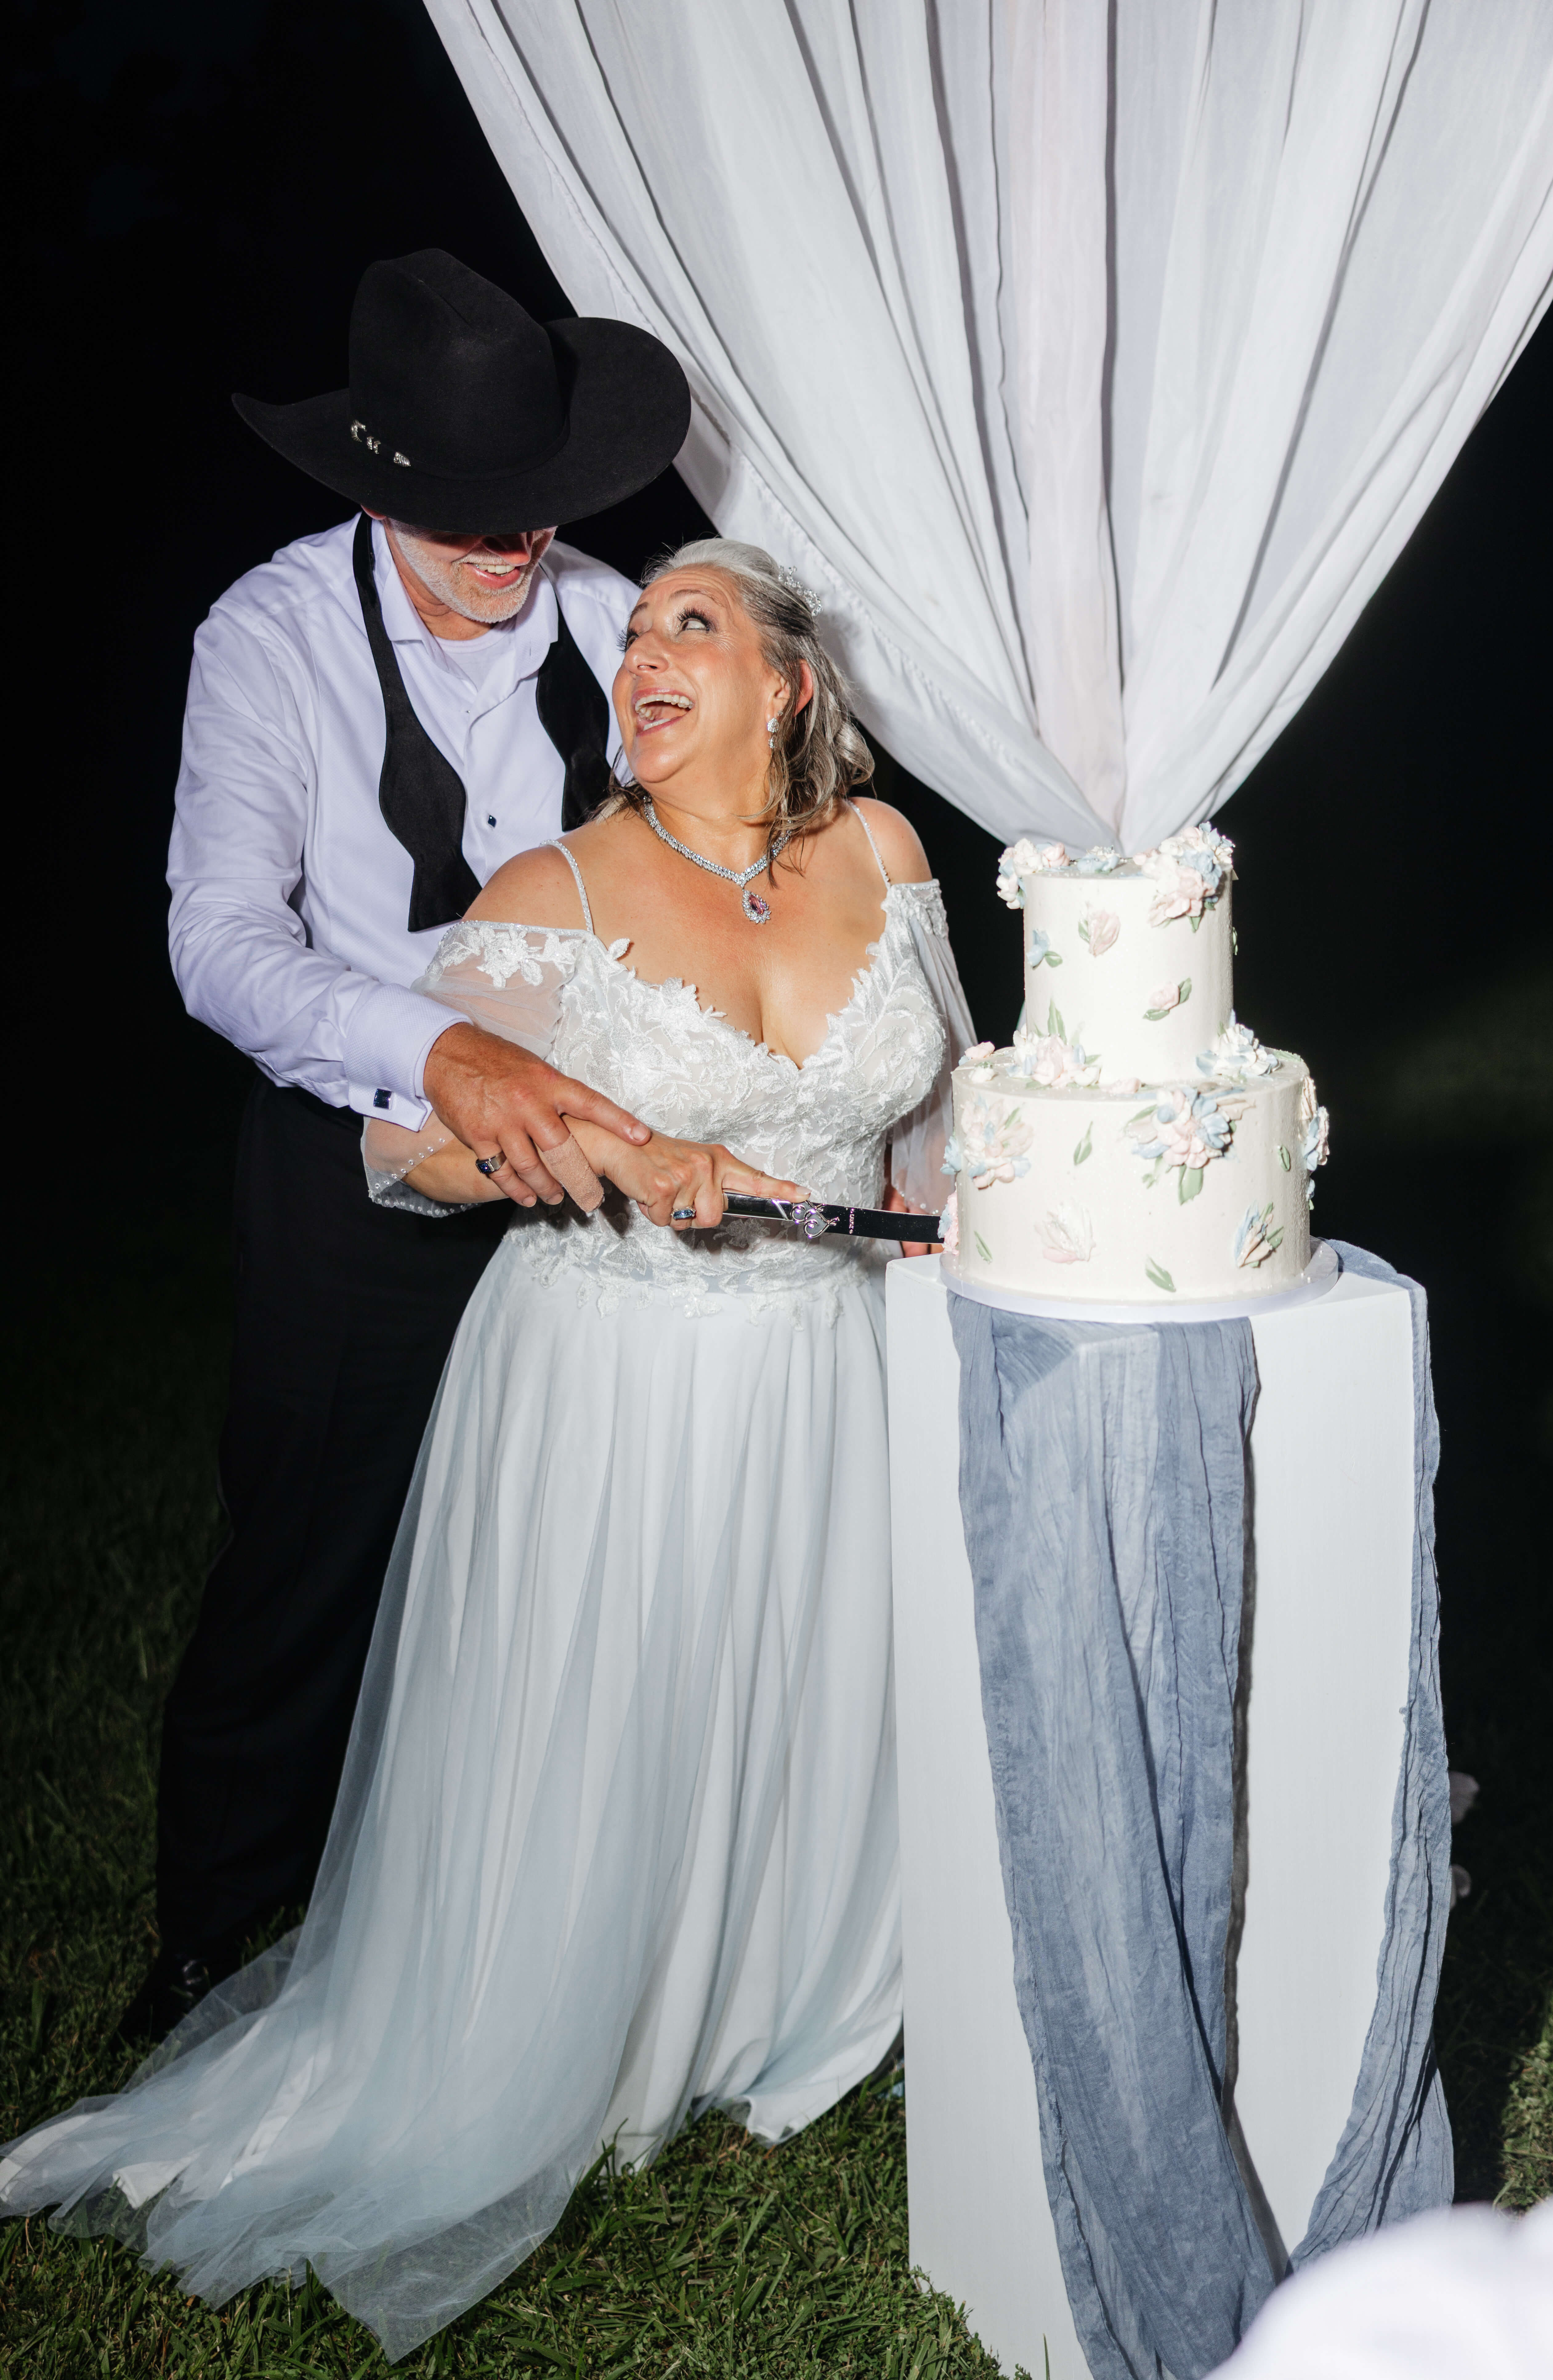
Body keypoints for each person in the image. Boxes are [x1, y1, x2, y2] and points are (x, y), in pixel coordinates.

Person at [0, 539, 971, 2359]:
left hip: (831, 1368)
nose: (648, 651)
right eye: (644, 631)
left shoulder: (889, 856)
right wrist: (590, 1150)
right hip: (613, 1367)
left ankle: (770, 1983)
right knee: (612, 1702)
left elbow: (928, 1131)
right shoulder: (553, 886)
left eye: (699, 624)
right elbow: (408, 1153)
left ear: (790, 688)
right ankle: (549, 2014)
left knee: (798, 1687)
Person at [128, 249, 692, 2043]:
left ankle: (521, 1934)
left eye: (525, 508)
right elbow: (220, 944)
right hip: (358, 1156)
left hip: (596, 1160)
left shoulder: (625, 626)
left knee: (574, 1553)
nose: (503, 546)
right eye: (459, 513)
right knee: (308, 1558)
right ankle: (221, 1935)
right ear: (371, 478)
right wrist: (434, 1056)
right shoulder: (269, 636)